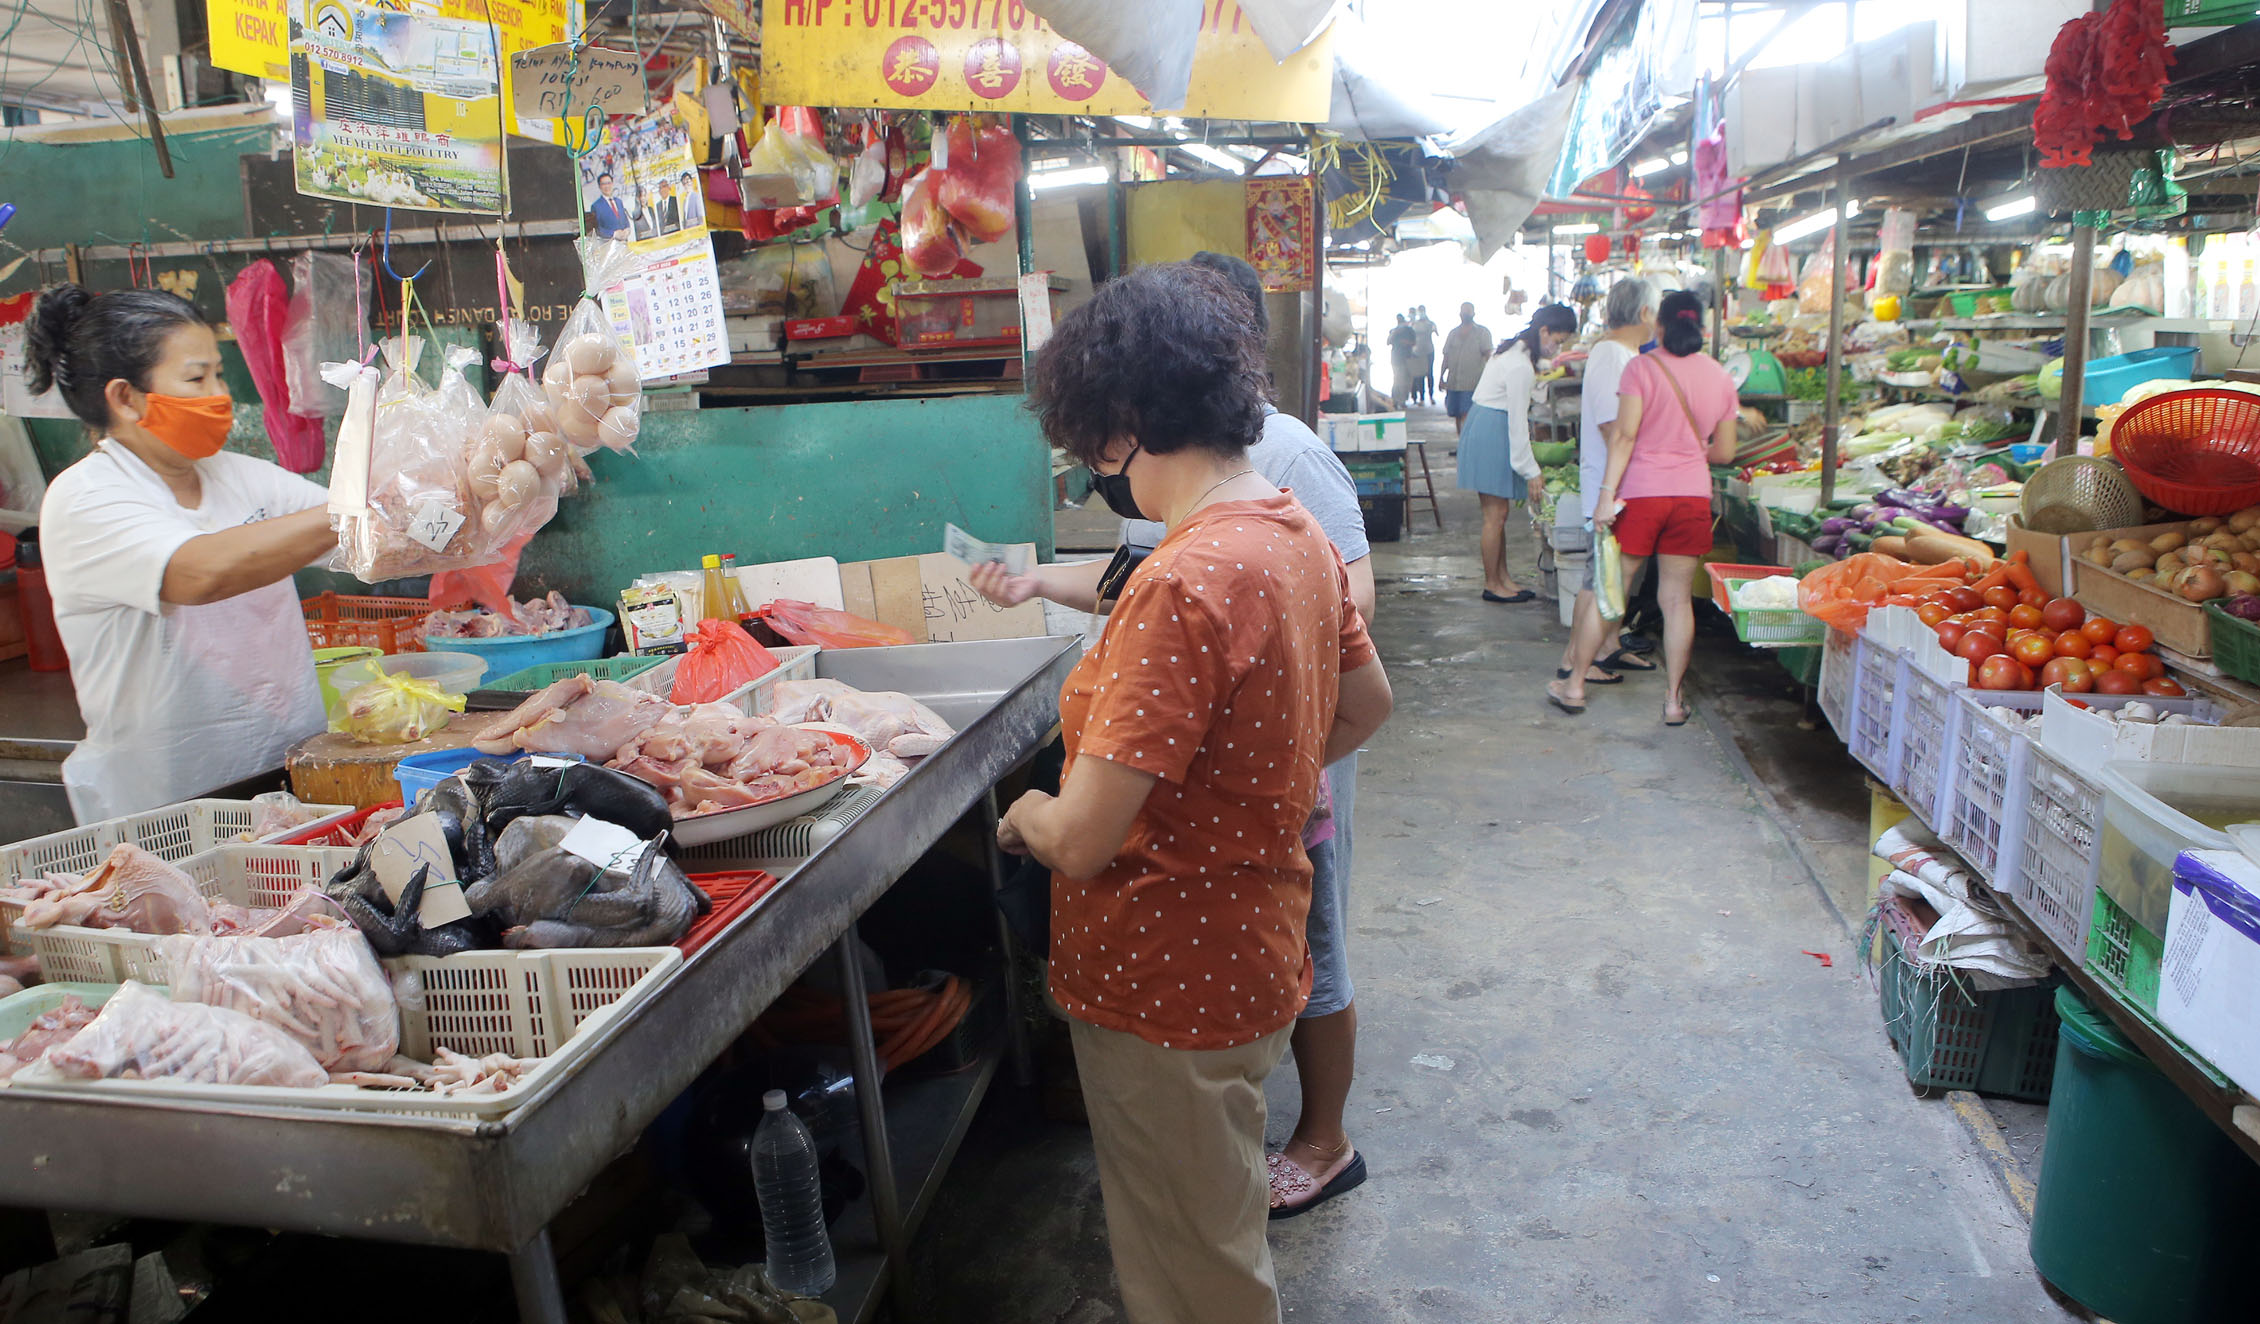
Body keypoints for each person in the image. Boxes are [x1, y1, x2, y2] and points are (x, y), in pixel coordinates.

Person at [991, 262, 1393, 1324]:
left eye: (1086, 443)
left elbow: (1079, 839)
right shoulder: (1285, 530)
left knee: (1192, 1274)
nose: (1090, 466)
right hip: (1252, 951)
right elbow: (1367, 705)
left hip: (1162, 979)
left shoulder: (1182, 580)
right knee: (1207, 1229)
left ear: (1121, 424)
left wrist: (1023, 818)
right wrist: (1259, 789)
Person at [25, 286, 339, 822]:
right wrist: (356, 511)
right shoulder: (86, 498)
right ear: (124, 398)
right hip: (166, 802)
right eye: (197, 378)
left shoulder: (238, 475)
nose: (219, 394)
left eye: (219, 374)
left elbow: (365, 543)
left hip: (281, 778)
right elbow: (198, 572)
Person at [1565, 289, 1739, 725]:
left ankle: (1575, 684)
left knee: (1614, 592)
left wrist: (1607, 495)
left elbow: (1622, 437)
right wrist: (1690, 445)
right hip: (1692, 496)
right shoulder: (1720, 376)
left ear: (1659, 325)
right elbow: (1725, 453)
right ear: (1701, 327)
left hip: (1643, 493)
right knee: (1677, 600)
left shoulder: (1641, 368)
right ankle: (1674, 701)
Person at [1551, 278, 1660, 705]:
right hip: (1613, 489)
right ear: (1645, 314)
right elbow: (1616, 429)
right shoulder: (1613, 356)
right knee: (1598, 581)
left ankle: (1605, 647)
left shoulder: (1622, 354)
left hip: (1623, 485)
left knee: (1607, 579)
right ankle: (1574, 660)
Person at [1459, 303, 1576, 604]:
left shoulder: (1517, 353)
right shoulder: (1520, 365)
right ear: (1544, 331)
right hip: (1491, 430)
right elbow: (1516, 425)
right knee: (1494, 516)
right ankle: (1492, 584)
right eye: (1558, 340)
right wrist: (1531, 470)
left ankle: (1503, 579)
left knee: (1499, 514)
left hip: (1487, 425)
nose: (1557, 347)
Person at [1438, 300, 1492, 436]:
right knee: (1456, 413)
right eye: (1463, 311)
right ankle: (1461, 442)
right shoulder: (1453, 334)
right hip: (1453, 383)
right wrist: (1441, 377)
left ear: (1474, 313)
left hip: (1472, 383)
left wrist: (1490, 379)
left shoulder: (1482, 333)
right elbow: (1446, 357)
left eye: (1468, 311)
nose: (1465, 314)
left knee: (1467, 413)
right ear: (1459, 314)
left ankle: (1468, 443)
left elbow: (1488, 356)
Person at [589, 172, 631, 240]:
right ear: (599, 186)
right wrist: (614, 234)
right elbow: (597, 229)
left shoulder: (619, 201)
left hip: (624, 243)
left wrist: (627, 230)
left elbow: (625, 220)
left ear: (612, 184)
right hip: (609, 245)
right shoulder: (596, 206)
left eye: (609, 183)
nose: (607, 186)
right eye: (603, 184)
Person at [1386, 313, 1416, 406]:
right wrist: (1395, 333)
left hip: (1407, 358)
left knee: (1405, 380)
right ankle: (1396, 399)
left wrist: (1406, 342)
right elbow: (1388, 342)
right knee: (1398, 379)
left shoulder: (1410, 331)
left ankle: (1402, 399)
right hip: (1396, 359)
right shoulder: (1394, 331)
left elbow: (1414, 342)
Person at [1412, 305, 1438, 404]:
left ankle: (1431, 396)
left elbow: (1436, 332)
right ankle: (1421, 398)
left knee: (1429, 374)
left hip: (1428, 351)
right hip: (1417, 352)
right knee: (1420, 375)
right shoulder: (1414, 323)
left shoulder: (1430, 323)